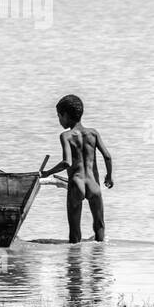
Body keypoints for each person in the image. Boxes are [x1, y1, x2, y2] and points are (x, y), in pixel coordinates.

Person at [40, 94, 113, 243]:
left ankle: (74, 264)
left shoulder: (66, 136)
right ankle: (98, 261)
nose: (59, 120)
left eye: (59, 116)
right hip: (94, 185)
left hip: (77, 184)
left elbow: (66, 162)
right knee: (99, 225)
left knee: (74, 233)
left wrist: (47, 172)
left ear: (65, 115)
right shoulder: (93, 133)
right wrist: (109, 176)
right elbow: (107, 156)